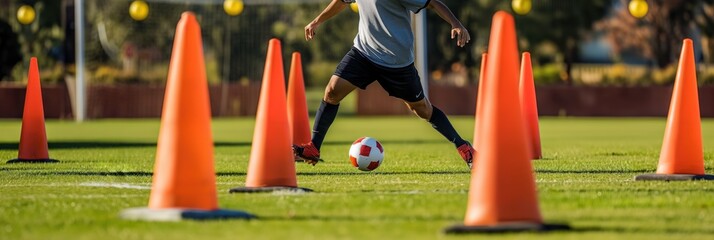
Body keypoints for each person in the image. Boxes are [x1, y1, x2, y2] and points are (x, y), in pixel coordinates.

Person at [294, 0, 475, 169]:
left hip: (397, 62)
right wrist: (317, 21)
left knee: (423, 110)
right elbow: (342, 1)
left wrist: (456, 23)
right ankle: (313, 147)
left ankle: (463, 146)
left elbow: (432, 3)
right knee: (332, 91)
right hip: (364, 52)